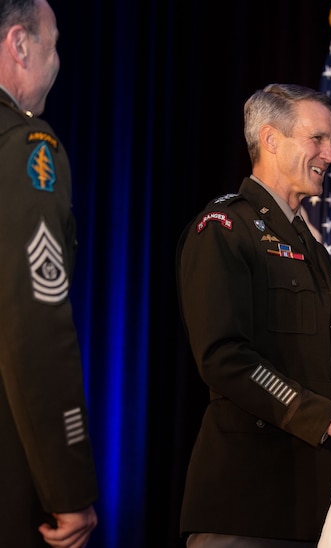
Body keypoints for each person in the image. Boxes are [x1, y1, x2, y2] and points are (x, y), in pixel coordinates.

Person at [176, 83, 331, 547]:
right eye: (318, 139)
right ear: (271, 139)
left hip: (310, 503)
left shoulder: (305, 242)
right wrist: (326, 418)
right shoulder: (224, 230)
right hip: (247, 505)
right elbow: (224, 358)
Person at [0, 0, 99, 546]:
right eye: (53, 43)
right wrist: (67, 487)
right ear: (20, 44)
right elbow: (35, 330)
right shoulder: (26, 148)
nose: (58, 60)